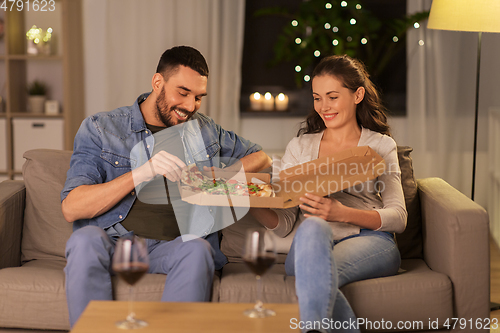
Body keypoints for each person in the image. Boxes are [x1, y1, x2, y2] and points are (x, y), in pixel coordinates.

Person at [61, 45, 271, 327]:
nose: (190, 106)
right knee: (84, 240)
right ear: (157, 82)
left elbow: (262, 157)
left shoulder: (206, 130)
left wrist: (220, 175)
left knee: (198, 249)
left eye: (198, 97)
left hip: (173, 247)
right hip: (114, 243)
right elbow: (72, 208)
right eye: (182, 93)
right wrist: (141, 173)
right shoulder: (102, 128)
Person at [250, 55, 407, 333]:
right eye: (317, 98)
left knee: (311, 275)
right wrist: (249, 201)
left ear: (357, 94)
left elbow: (398, 217)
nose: (324, 107)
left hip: (369, 240)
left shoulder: (381, 145)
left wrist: (341, 213)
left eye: (332, 97)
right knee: (311, 226)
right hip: (310, 243)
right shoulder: (300, 147)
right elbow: (286, 223)